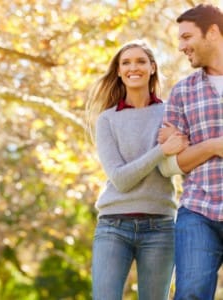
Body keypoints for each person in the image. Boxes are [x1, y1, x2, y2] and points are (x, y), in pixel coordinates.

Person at [86, 40, 189, 300]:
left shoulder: (170, 113)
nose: (134, 67)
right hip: (113, 225)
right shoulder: (107, 119)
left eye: (141, 61)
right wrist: (160, 151)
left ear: (152, 68)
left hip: (160, 226)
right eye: (126, 62)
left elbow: (179, 162)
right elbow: (120, 179)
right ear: (119, 72)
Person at [159, 4, 223, 300]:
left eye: (187, 37)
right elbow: (170, 165)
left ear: (212, 32)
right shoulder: (182, 92)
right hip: (199, 210)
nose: (182, 47)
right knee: (191, 294)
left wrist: (197, 147)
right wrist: (212, 146)